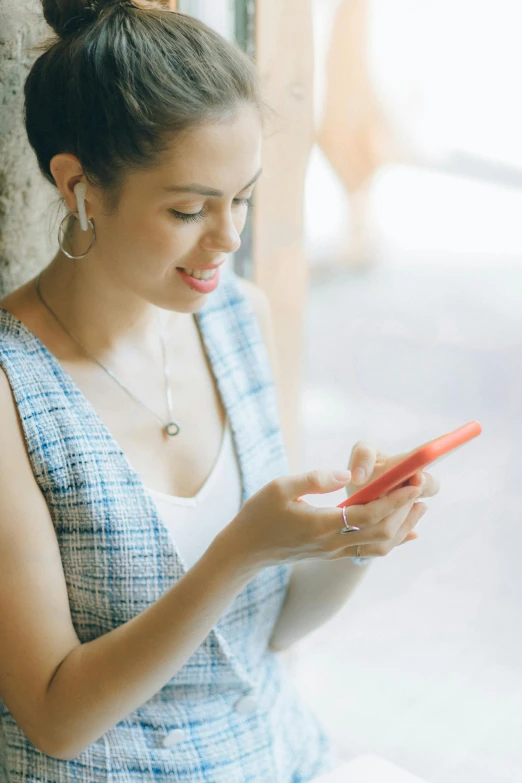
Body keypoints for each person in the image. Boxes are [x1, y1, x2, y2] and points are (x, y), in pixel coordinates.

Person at [0, 1, 438, 780]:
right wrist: (236, 552)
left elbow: (259, 636)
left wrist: (351, 539)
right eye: (188, 208)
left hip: (280, 757)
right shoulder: (12, 387)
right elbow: (56, 716)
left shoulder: (236, 317)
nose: (229, 238)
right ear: (78, 187)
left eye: (242, 198)